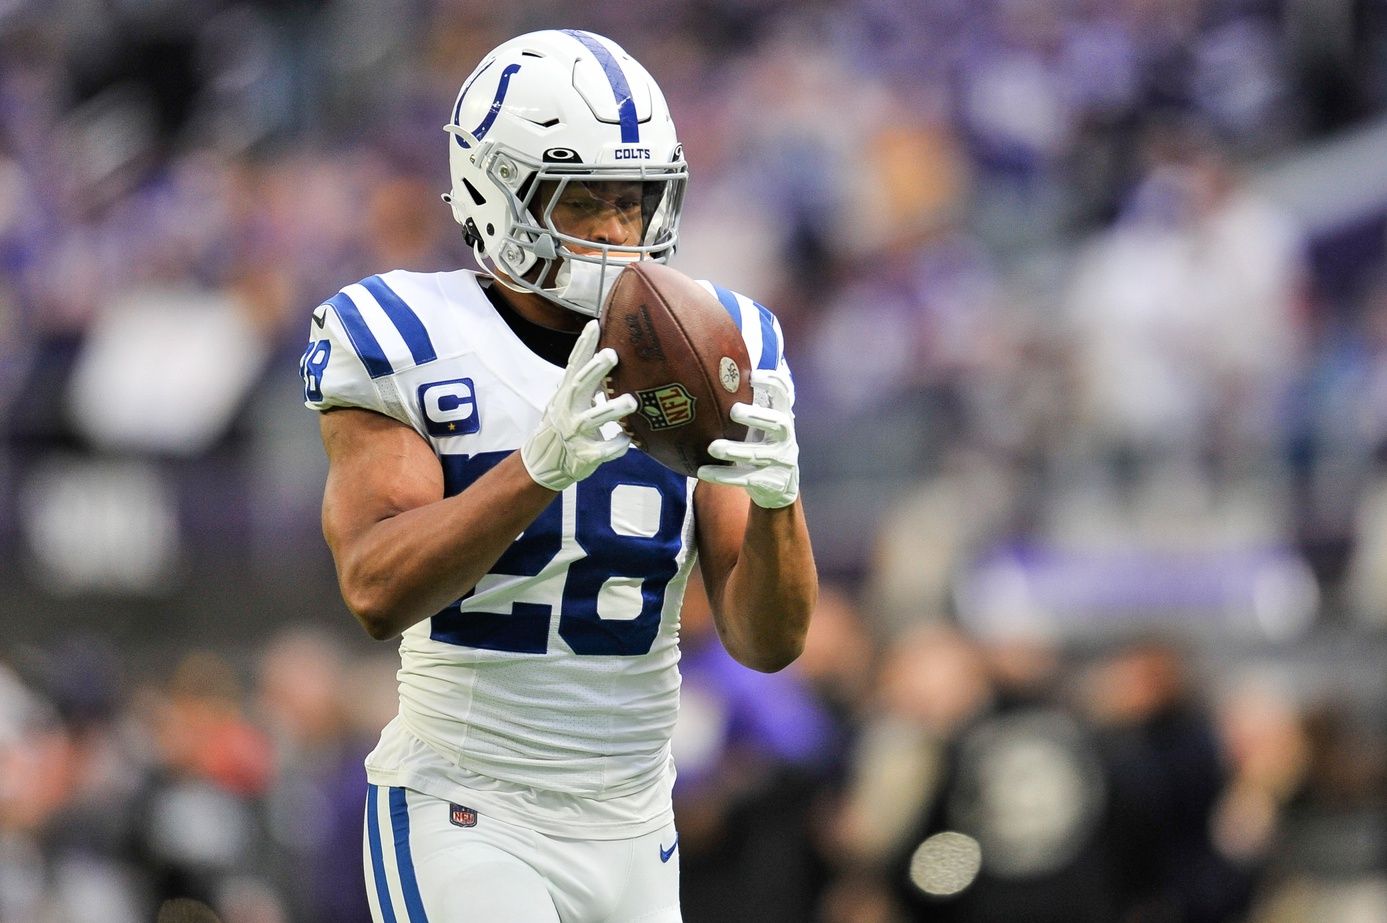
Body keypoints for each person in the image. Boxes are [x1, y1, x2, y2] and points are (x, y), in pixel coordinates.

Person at [298, 29, 817, 923]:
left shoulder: (725, 338)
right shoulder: (403, 333)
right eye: (585, 203)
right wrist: (537, 468)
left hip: (636, 818)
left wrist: (777, 504)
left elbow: (765, 641)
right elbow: (375, 589)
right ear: (493, 195)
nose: (620, 233)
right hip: (467, 806)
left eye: (635, 201)